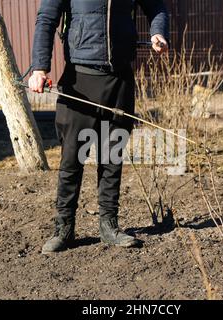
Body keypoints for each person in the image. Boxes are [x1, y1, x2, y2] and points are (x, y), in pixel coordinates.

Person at [29, 0, 169, 254]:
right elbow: (47, 19)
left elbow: (156, 6)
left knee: (112, 156)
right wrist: (39, 68)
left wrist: (157, 31)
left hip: (120, 79)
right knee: (72, 156)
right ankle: (64, 228)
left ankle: (109, 226)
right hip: (79, 79)